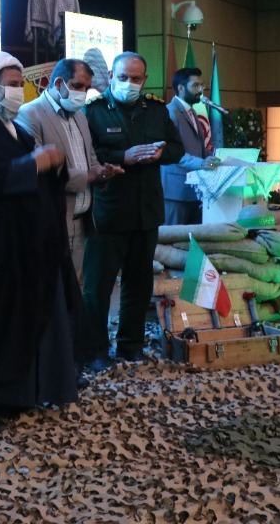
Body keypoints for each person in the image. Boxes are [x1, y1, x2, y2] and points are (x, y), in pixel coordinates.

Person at [0, 52, 80, 431]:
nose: (17, 92)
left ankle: (9, 395)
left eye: (18, 84)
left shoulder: (18, 131)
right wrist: (34, 164)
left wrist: (54, 165)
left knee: (14, 326)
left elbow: (42, 177)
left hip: (20, 247)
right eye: (10, 85)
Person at [81, 52, 184, 368]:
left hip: (146, 212)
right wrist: (122, 156)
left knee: (139, 285)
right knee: (98, 287)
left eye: (136, 79)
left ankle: (130, 345)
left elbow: (177, 148)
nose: (129, 83)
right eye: (123, 77)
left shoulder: (156, 110)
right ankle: (96, 351)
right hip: (108, 213)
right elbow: (86, 153)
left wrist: (161, 155)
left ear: (145, 80)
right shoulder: (93, 111)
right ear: (112, 76)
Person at [18, 58, 123, 283]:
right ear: (58, 83)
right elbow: (41, 172)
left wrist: (103, 172)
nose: (82, 93)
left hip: (81, 222)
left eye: (86, 88)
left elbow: (91, 160)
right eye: (77, 86)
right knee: (49, 291)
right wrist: (89, 176)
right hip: (51, 222)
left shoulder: (80, 116)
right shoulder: (30, 114)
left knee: (74, 291)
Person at [162, 67, 221, 224]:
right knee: (175, 236)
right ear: (181, 88)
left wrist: (219, 158)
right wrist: (202, 163)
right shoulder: (169, 112)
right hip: (176, 192)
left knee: (194, 236)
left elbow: (199, 149)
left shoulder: (192, 111)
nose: (201, 90)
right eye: (195, 86)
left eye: (202, 85)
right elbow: (171, 153)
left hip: (195, 189)